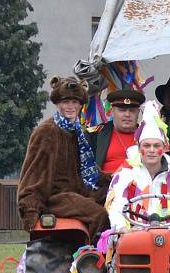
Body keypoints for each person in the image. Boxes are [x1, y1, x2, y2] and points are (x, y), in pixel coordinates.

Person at [17, 75, 109, 241]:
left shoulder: (76, 131)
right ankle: (92, 259)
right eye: (66, 102)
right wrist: (29, 207)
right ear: (58, 103)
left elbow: (87, 169)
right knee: (99, 214)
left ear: (81, 104)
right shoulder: (46, 131)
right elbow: (33, 172)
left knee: (114, 203)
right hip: (56, 196)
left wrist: (114, 180)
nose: (70, 106)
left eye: (75, 102)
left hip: (78, 191)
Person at [105, 101, 170, 234]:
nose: (151, 150)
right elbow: (115, 206)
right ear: (139, 148)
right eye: (146, 146)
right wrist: (124, 229)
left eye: (156, 146)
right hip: (133, 237)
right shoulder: (125, 174)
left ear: (164, 148)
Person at [87, 88, 145, 173]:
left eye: (132, 111)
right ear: (112, 111)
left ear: (138, 112)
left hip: (141, 185)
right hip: (105, 184)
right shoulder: (94, 134)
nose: (127, 115)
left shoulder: (149, 135)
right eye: (122, 110)